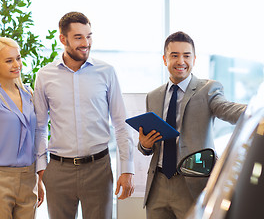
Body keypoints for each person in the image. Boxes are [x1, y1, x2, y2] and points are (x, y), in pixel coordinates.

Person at [34, 11, 135, 219]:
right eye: (78, 37)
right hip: (58, 170)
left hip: (98, 169)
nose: (86, 43)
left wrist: (127, 169)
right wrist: (42, 169)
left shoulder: (106, 72)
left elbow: (120, 124)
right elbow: (39, 127)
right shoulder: (44, 76)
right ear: (63, 39)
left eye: (89, 36)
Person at [138, 31, 246, 218]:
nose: (181, 61)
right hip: (158, 185)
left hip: (192, 184)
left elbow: (227, 109)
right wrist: (144, 145)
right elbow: (151, 145)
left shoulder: (208, 90)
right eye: (174, 55)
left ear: (194, 59)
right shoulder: (153, 96)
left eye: (186, 55)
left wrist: (262, 109)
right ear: (165, 59)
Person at [0, 37, 44, 218]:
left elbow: (36, 137)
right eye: (9, 60)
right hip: (0, 179)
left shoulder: (28, 93)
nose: (16, 64)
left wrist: (39, 180)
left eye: (18, 58)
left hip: (29, 177)